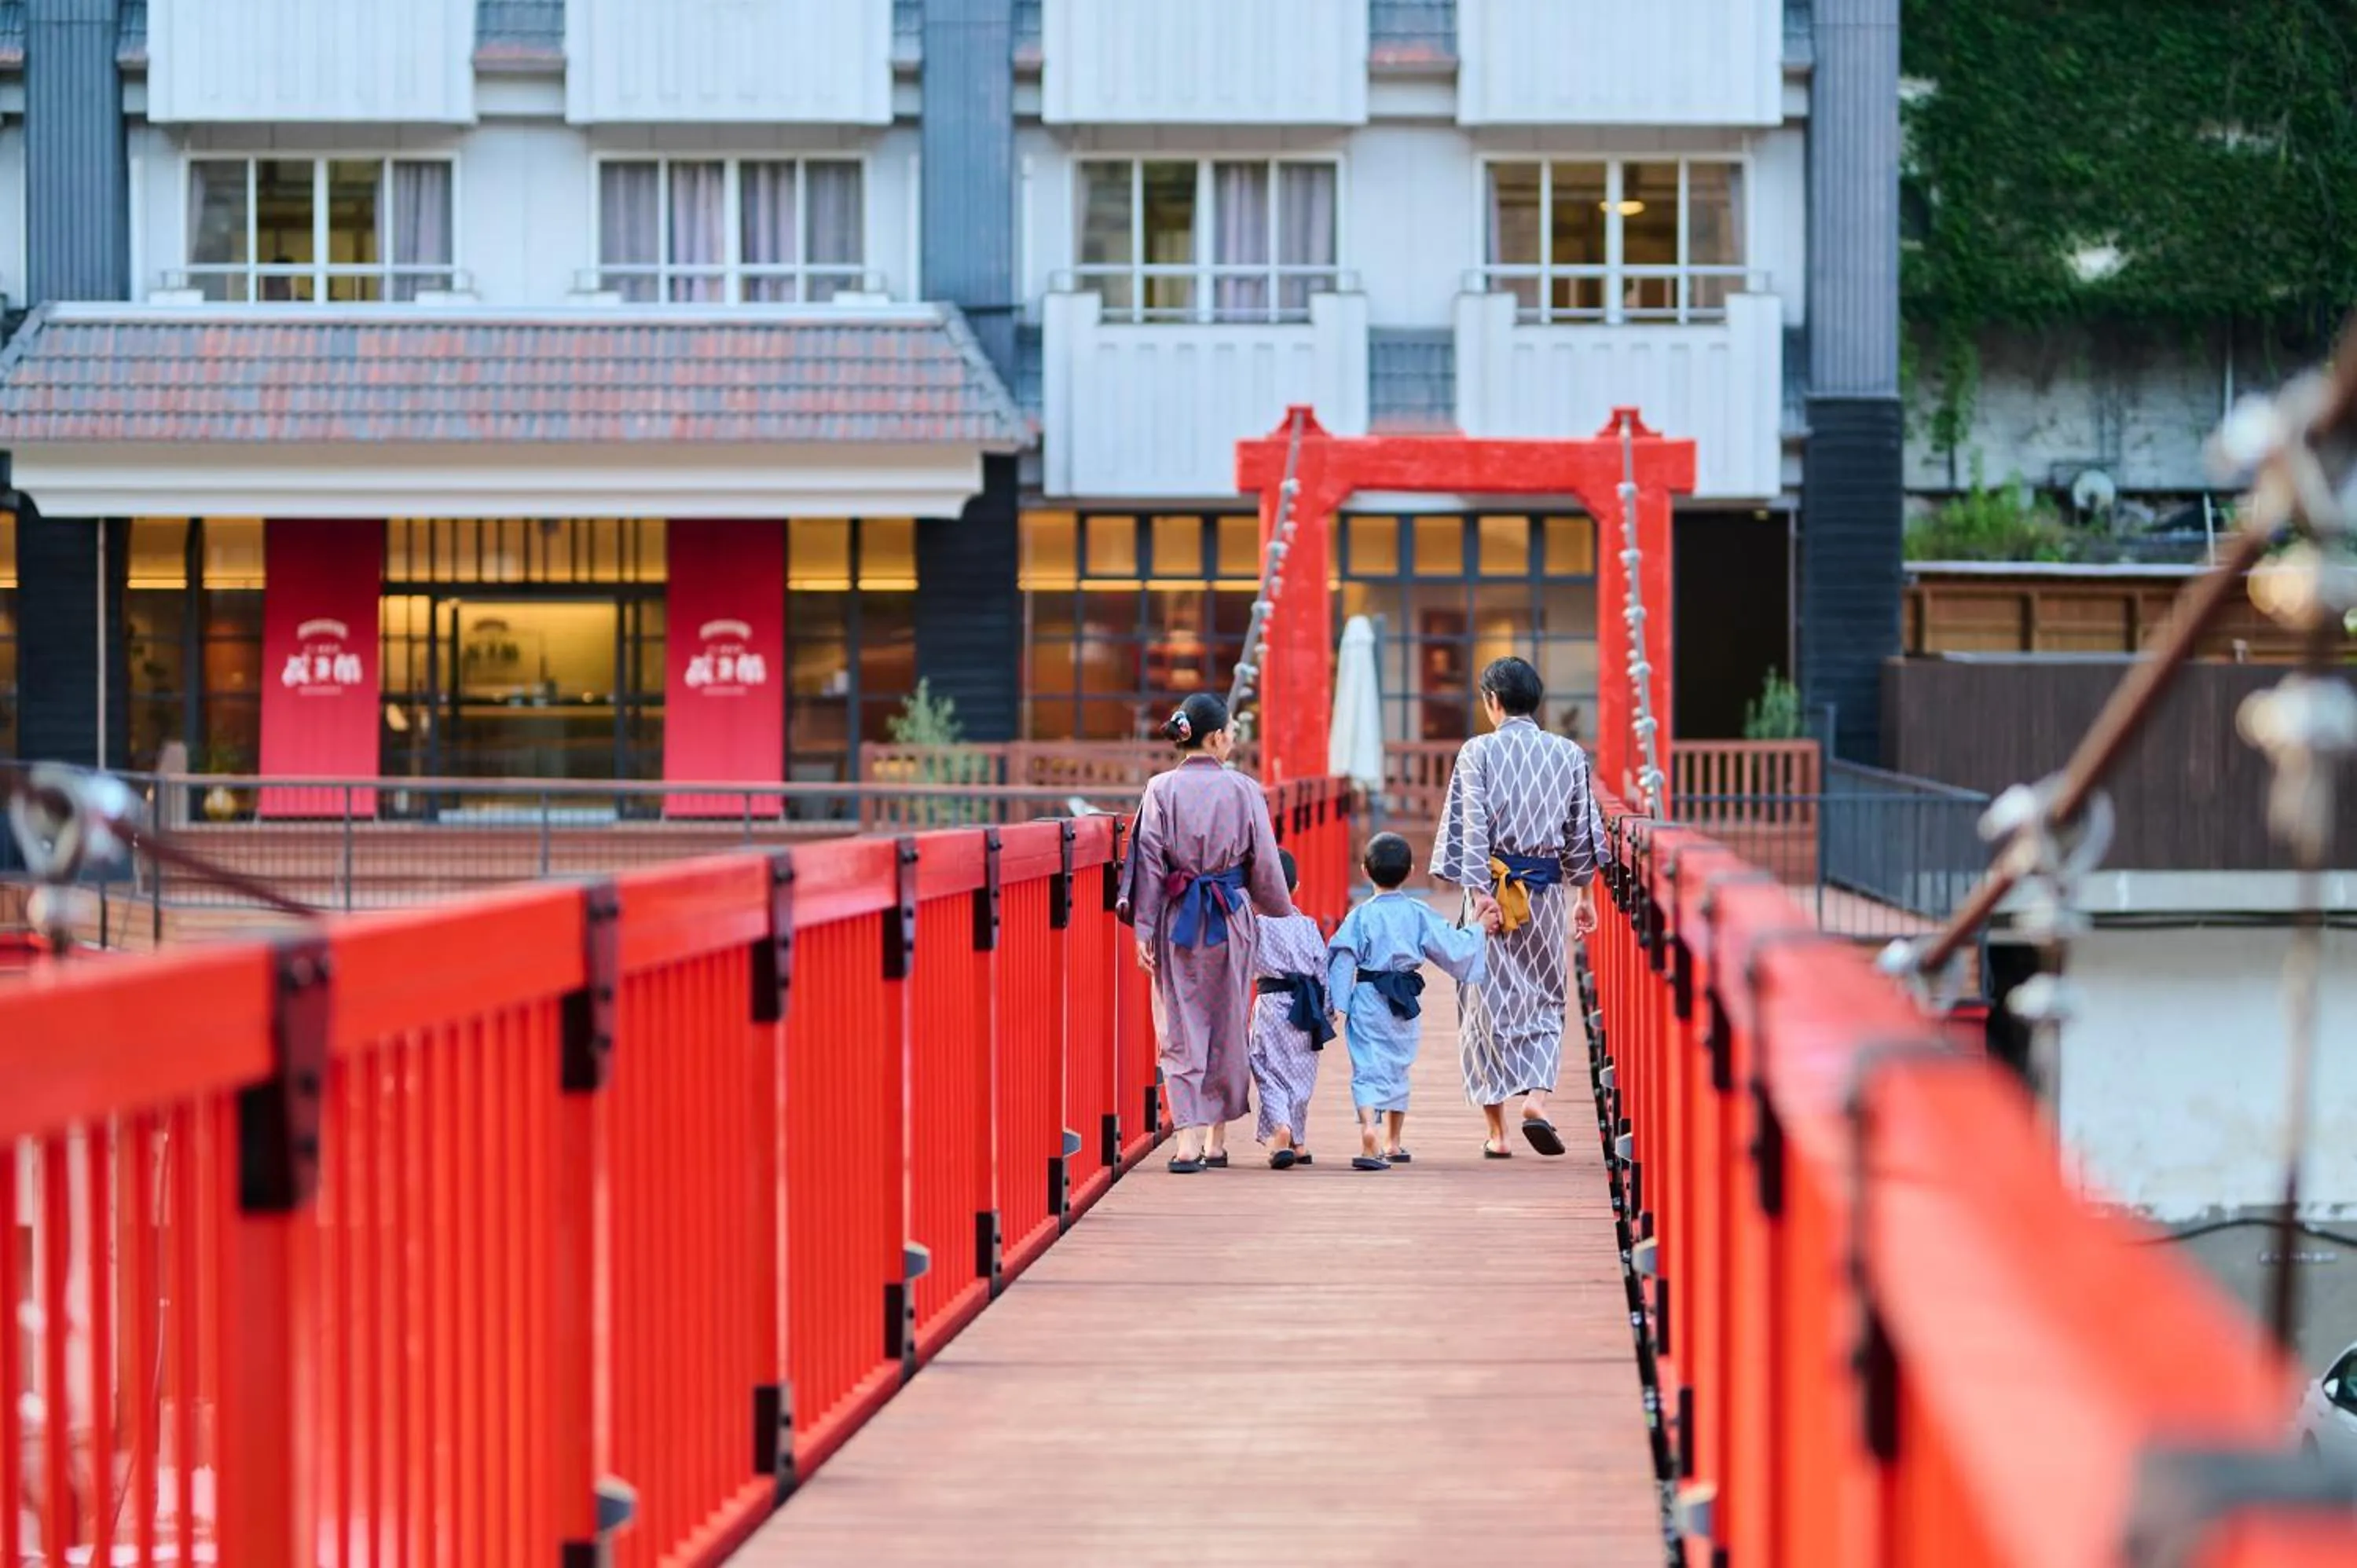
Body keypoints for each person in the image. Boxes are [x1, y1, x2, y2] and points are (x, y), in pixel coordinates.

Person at [1429, 656, 1608, 1159]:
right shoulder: (1568, 754)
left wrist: (1482, 896)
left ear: (1493, 701)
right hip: (1546, 896)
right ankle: (1537, 1098)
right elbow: (1582, 836)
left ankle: (1499, 1133)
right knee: (1548, 994)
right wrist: (1585, 895)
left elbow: (1469, 832)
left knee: (1481, 1001)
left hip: (1490, 893)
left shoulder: (1477, 752)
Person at [1130, 691, 1294, 1174]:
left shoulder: (1159, 790)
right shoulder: (1244, 790)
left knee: (1179, 1024)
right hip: (1230, 916)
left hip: (1176, 917)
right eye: (1233, 734)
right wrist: (1279, 911)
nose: (1234, 742)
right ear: (1218, 736)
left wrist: (1142, 928)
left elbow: (1147, 864)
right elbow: (1264, 861)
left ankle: (1185, 1140)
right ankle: (1217, 1141)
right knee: (1227, 1020)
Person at [1325, 832, 1487, 1171]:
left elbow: (1342, 956)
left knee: (1367, 1066)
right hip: (1404, 999)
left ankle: (1370, 1126)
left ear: (1365, 872)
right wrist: (1479, 927)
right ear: (1412, 871)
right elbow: (1451, 947)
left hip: (1368, 995)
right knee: (1398, 1064)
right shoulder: (1418, 912)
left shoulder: (1360, 915)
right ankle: (1393, 1142)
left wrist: (1336, 1004)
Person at [1248, 848, 1334, 1171]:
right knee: (1300, 1075)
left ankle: (1281, 1129)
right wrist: (1326, 1012)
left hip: (1271, 1005)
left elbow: (1244, 965)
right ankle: (1299, 1142)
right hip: (1306, 1007)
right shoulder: (1308, 926)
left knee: (1267, 1069)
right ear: (1296, 887)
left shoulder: (1256, 925)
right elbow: (1321, 970)